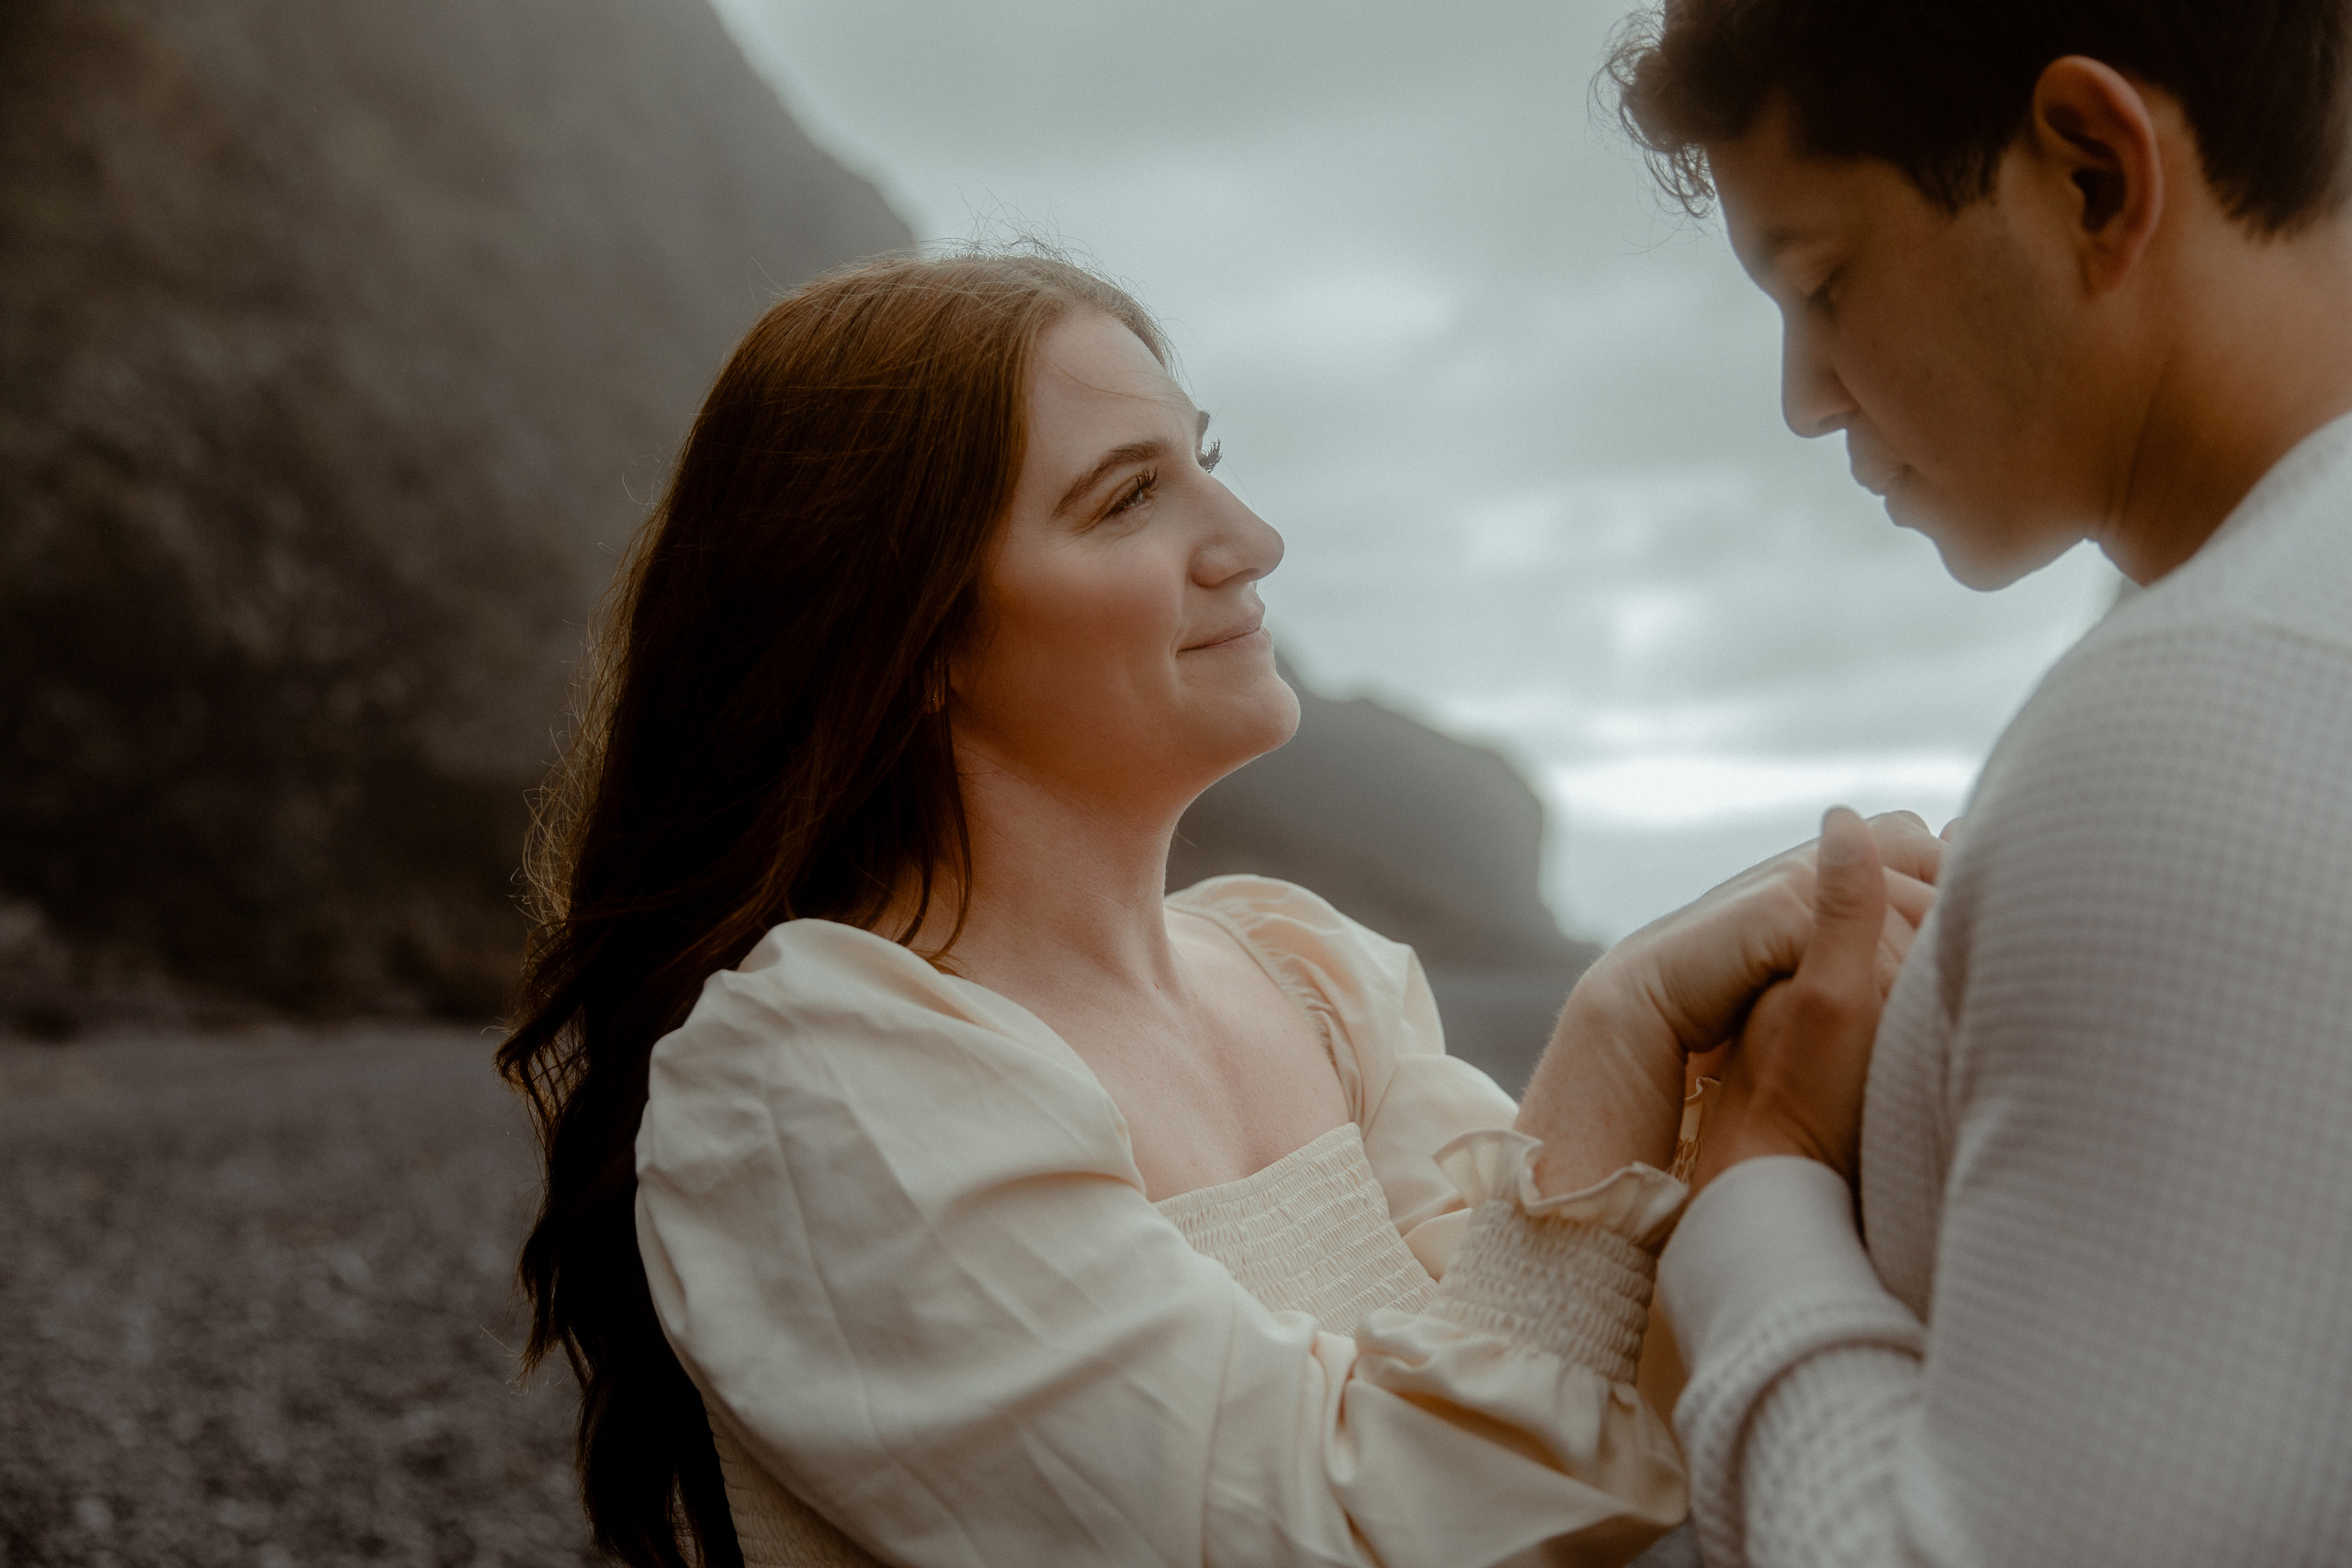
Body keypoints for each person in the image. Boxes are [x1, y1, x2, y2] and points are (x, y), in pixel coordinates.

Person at [495, 250, 1943, 1568]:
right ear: (913, 634)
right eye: (1129, 497)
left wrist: (1763, 1077)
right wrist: (1624, 1024)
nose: (1250, 538)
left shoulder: (1308, 972)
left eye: (1208, 465)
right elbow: (1339, 1534)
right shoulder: (813, 1073)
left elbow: (1598, 1408)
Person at [1604, 4, 2352, 1564]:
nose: (1806, 394)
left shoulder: (2209, 706)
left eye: (1823, 280)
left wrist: (1761, 1189)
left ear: (2091, 173)